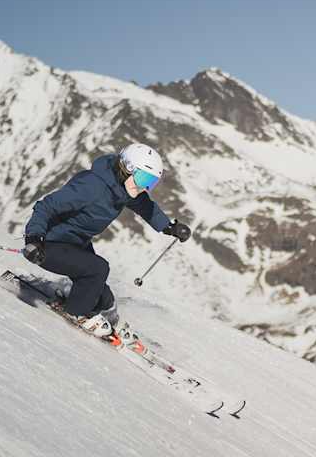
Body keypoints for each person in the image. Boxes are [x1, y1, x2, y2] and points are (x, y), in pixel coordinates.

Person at [21, 143, 195, 338]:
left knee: (104, 298)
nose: (145, 186)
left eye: (151, 182)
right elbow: (47, 206)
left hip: (76, 244)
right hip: (48, 244)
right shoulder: (92, 186)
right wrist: (34, 238)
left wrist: (168, 226)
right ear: (127, 168)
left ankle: (89, 308)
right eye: (144, 178)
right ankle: (78, 313)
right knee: (98, 269)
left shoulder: (123, 188)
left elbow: (145, 205)